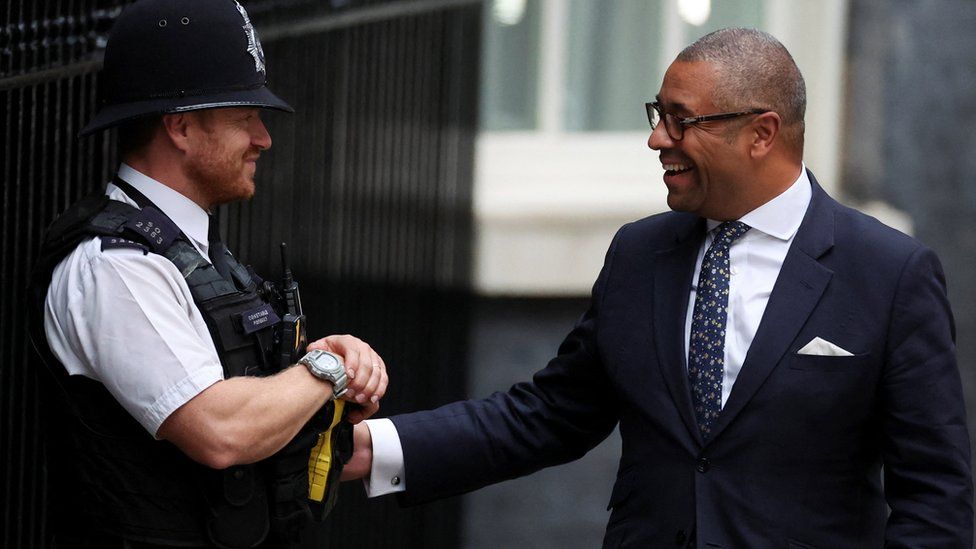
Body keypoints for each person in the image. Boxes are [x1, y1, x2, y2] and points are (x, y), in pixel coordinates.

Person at [343, 28, 973, 547]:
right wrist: (369, 447)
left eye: (681, 121)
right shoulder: (640, 254)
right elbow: (549, 414)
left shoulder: (889, 274)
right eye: (658, 115)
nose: (657, 139)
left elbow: (935, 501)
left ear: (762, 133)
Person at [26, 1, 387, 547]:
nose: (263, 138)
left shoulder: (192, 251)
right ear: (181, 127)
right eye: (245, 117)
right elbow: (221, 432)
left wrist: (320, 395)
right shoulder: (116, 267)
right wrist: (327, 368)